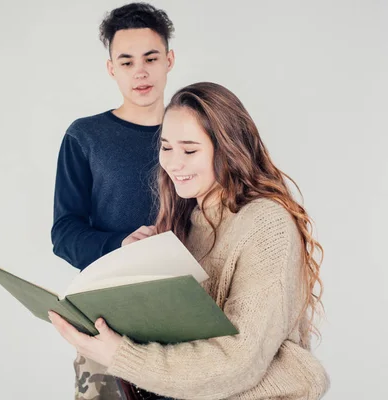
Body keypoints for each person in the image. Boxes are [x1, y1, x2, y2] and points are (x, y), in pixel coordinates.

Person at [49, 82, 331, 399]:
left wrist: (121, 355)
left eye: (190, 149)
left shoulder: (265, 223)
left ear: (227, 149)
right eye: (166, 147)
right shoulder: (185, 222)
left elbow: (241, 361)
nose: (173, 163)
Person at [51, 2, 175, 272]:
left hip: (194, 288)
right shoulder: (84, 136)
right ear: (111, 69)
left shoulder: (199, 132)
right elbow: (64, 235)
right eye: (127, 62)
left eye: (151, 59)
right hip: (113, 291)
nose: (140, 72)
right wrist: (121, 244)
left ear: (169, 61)